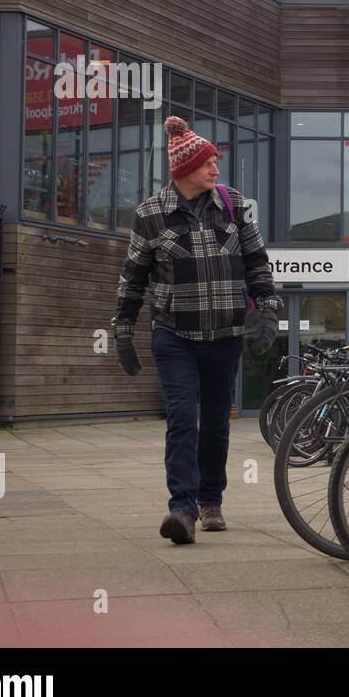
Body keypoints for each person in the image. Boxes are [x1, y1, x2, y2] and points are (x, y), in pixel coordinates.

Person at [111, 116, 281, 545]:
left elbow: (257, 264)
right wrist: (123, 330)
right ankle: (181, 510)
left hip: (224, 335)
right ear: (184, 170)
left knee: (217, 425)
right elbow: (133, 277)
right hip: (174, 336)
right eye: (208, 163)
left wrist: (268, 311)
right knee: (182, 419)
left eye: (215, 162)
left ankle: (211, 501)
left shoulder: (234, 206)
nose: (215, 170)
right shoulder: (150, 215)